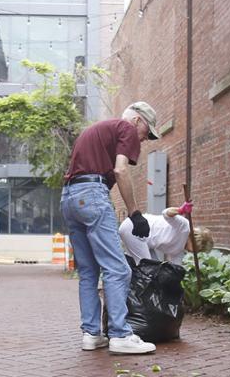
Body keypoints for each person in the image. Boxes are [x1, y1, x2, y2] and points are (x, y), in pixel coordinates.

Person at [61, 101, 161, 355]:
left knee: (88, 272)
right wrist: (135, 213)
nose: (144, 139)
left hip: (69, 198)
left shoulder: (97, 130)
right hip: (91, 195)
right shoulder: (126, 128)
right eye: (147, 132)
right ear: (137, 120)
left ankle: (91, 334)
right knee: (118, 269)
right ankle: (120, 335)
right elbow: (120, 170)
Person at [117, 203, 214, 264]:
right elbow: (166, 213)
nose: (195, 253)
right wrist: (180, 210)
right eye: (198, 249)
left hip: (144, 242)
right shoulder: (184, 226)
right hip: (134, 229)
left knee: (156, 269)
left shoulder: (179, 251)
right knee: (147, 269)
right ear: (196, 241)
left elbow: (176, 267)